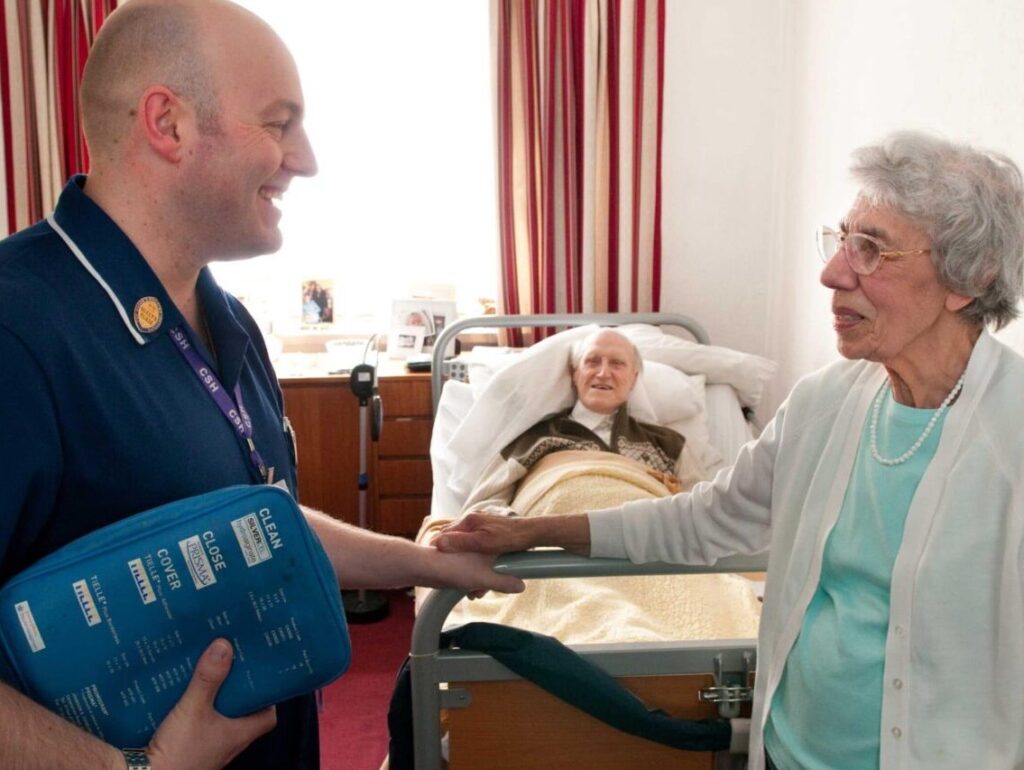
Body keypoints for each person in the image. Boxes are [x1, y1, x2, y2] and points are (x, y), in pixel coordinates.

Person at [0, 2, 522, 770]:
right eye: (280, 123)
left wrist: (426, 561)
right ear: (167, 124)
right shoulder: (20, 331)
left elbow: (257, 522)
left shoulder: (229, 325)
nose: (305, 159)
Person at [435, 131, 1024, 770]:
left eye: (872, 250)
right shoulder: (825, 403)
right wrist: (535, 530)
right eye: (843, 239)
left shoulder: (1012, 436)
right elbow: (708, 517)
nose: (831, 273)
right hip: (786, 750)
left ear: (968, 280)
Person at [461, 328, 706, 515]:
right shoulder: (534, 438)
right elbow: (481, 505)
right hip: (555, 557)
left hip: (647, 554)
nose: (603, 373)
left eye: (617, 364)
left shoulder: (669, 445)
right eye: (592, 362)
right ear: (575, 374)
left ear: (633, 379)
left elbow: (704, 511)